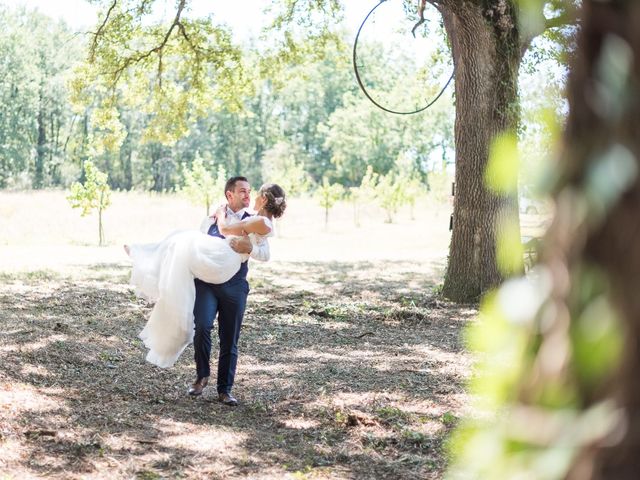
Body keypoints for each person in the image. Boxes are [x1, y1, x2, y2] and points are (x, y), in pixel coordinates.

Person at [125, 179, 286, 406]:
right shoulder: (210, 218)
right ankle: (201, 376)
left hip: (234, 285)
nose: (248, 195)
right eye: (243, 191)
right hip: (206, 284)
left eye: (250, 192)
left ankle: (225, 390)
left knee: (230, 338)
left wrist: (249, 248)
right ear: (230, 195)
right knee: (202, 326)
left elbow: (264, 253)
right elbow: (197, 249)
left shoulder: (253, 219)